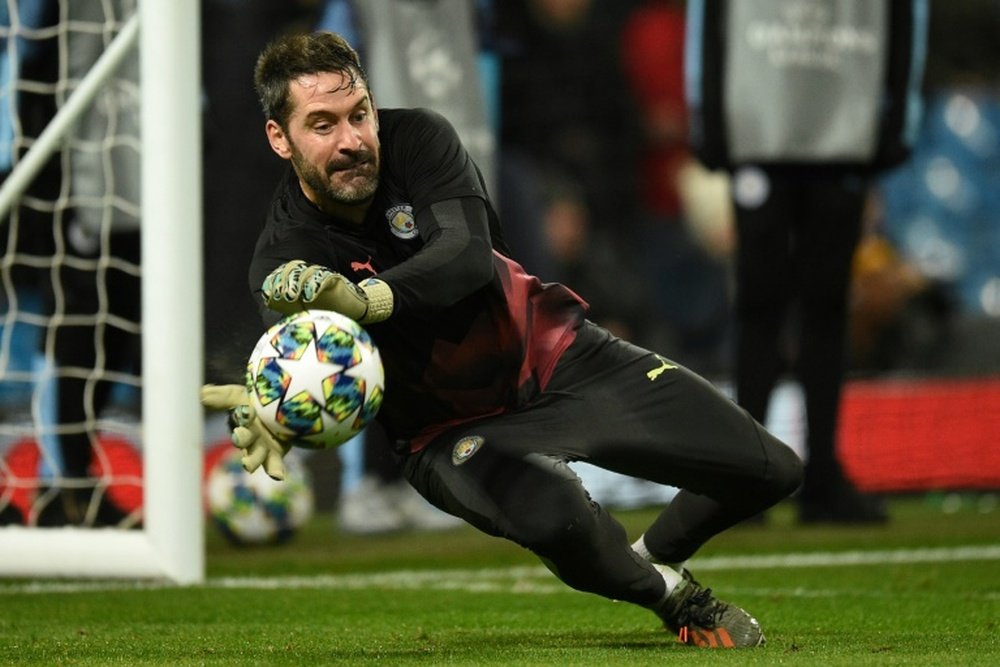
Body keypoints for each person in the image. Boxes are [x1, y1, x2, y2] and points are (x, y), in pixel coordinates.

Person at [201, 31, 803, 649]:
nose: (352, 140)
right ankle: (674, 599)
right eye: (322, 125)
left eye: (360, 115)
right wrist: (278, 411)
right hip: (449, 435)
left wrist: (363, 298)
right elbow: (305, 366)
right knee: (560, 516)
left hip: (559, 359)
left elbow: (462, 257)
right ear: (280, 138)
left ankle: (654, 556)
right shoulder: (284, 258)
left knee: (772, 471)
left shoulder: (419, 140)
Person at [685, 0, 929, 523]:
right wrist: (708, 117)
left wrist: (895, 122)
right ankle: (755, 474)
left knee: (819, 305)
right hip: (771, 129)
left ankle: (814, 475)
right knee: (764, 305)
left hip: (834, 130)